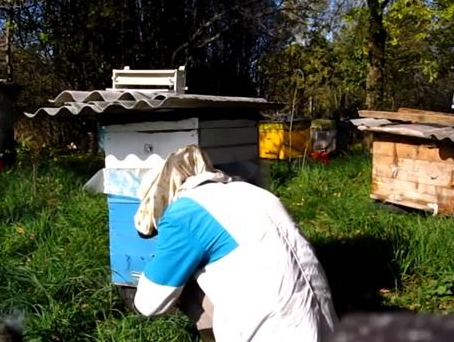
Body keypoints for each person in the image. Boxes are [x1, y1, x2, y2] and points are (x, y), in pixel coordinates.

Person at [133, 145, 337, 341]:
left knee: (181, 284)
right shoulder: (253, 193)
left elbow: (149, 303)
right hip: (326, 326)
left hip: (272, 331)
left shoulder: (183, 214)